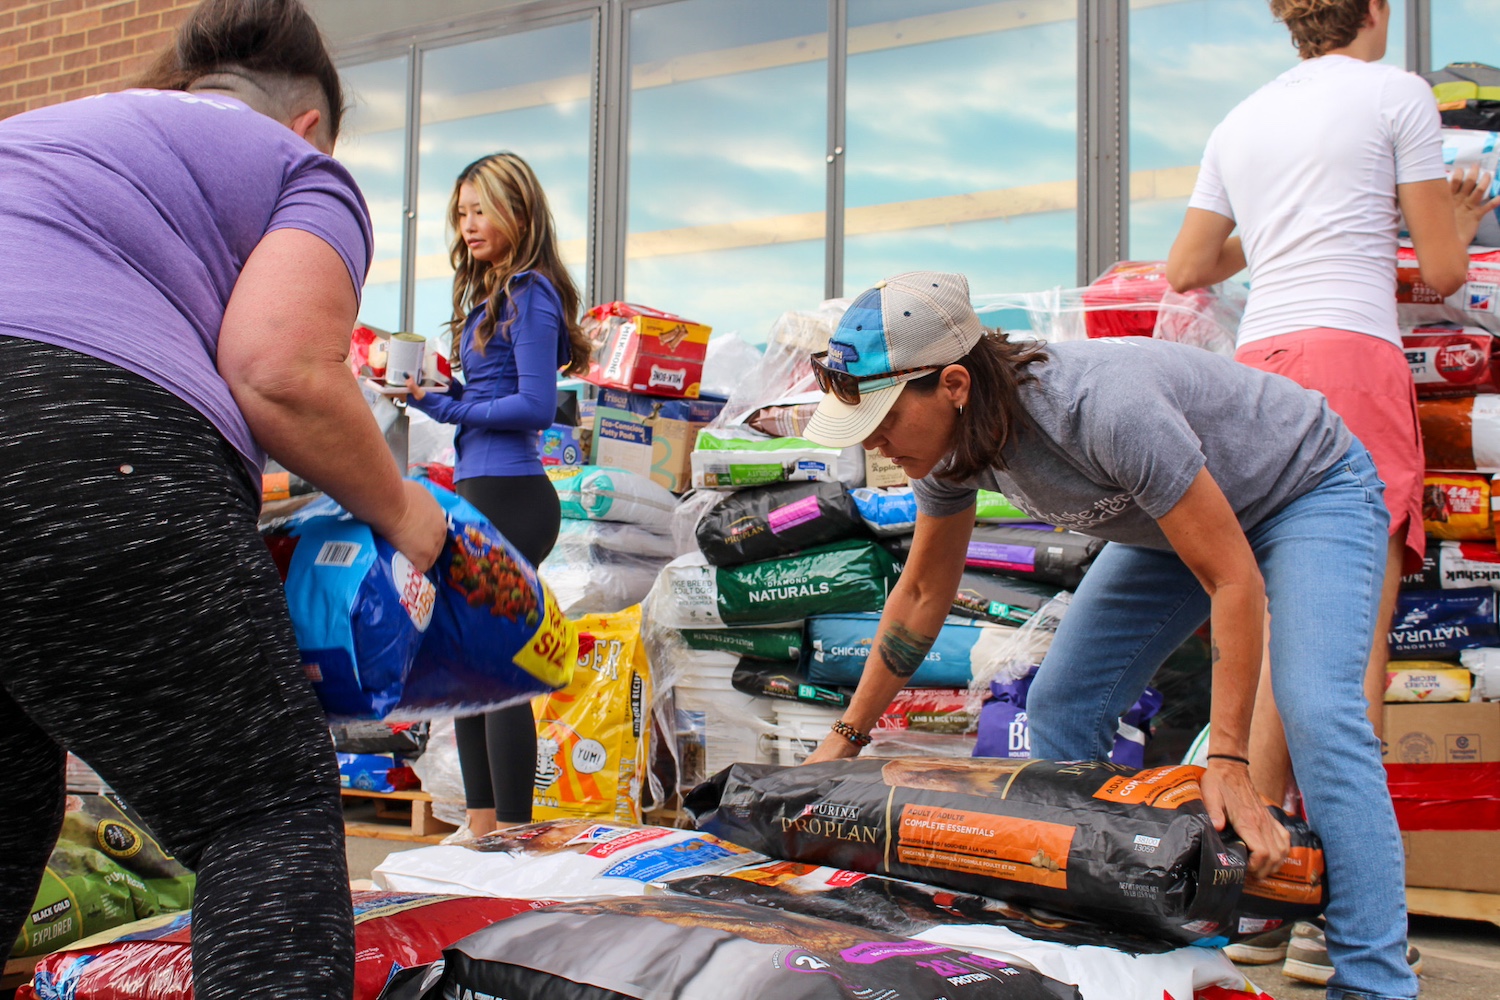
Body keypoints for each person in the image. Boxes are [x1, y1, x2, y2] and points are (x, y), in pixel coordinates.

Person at [800, 270, 1415, 1000]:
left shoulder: (1100, 407)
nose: (873, 441)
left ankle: (1376, 983)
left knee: (1318, 711)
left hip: (1307, 490)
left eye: (882, 418)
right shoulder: (948, 452)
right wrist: (847, 736)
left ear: (955, 384)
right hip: (1173, 525)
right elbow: (926, 592)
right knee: (1061, 706)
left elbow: (1232, 579)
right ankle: (1103, 939)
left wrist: (1228, 760)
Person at [0, 1, 448, 998]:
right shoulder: (296, 166)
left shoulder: (61, 137)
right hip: (67, 431)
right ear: (309, 125)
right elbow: (282, 368)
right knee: (263, 811)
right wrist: (411, 518)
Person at [1167, 0, 1498, 984]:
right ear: (1378, 13)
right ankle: (1345, 917)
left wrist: (1275, 231)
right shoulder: (1395, 95)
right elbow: (1441, 269)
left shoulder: (1244, 116)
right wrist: (1462, 221)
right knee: (1351, 654)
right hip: (1352, 362)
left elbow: (1188, 266)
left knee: (1282, 644)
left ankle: (1258, 903)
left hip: (1260, 369)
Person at [403, 152, 591, 838]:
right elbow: (488, 397)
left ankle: (510, 828)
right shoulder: (490, 296)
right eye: (461, 212)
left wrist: (451, 411)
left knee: (500, 666)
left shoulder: (531, 292)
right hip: (481, 487)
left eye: (481, 209)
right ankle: (482, 823)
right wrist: (436, 394)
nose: (469, 223)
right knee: (471, 663)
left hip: (511, 494)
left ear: (520, 210)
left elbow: (537, 405)